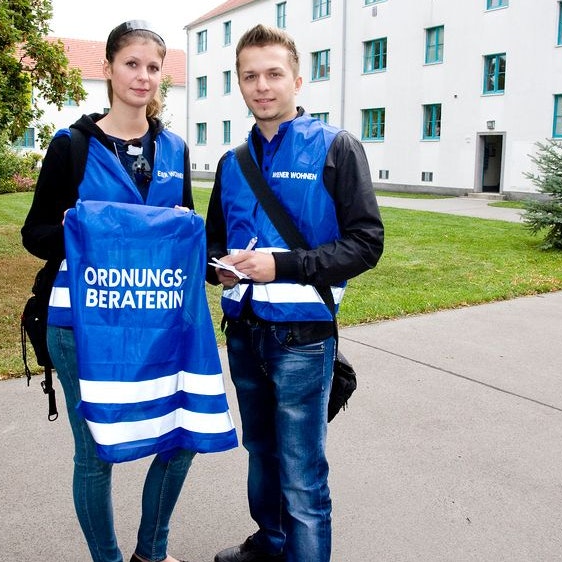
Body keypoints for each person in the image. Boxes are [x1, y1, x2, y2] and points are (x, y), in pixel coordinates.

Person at [205, 24, 384, 562]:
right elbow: (214, 243)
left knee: (302, 470)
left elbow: (366, 244)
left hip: (302, 338)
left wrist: (280, 265)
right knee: (260, 450)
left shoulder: (335, 147)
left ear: (298, 80)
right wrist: (220, 270)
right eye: (250, 76)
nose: (262, 86)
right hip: (243, 333)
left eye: (273, 74)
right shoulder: (232, 163)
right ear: (239, 83)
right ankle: (271, 542)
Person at [21, 20, 194, 562]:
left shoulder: (175, 149)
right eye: (131, 64)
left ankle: (151, 552)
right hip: (81, 324)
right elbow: (35, 234)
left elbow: (184, 231)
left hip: (157, 322)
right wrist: (79, 229)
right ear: (108, 69)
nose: (142, 76)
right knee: (96, 452)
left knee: (181, 438)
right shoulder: (72, 146)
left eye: (152, 67)